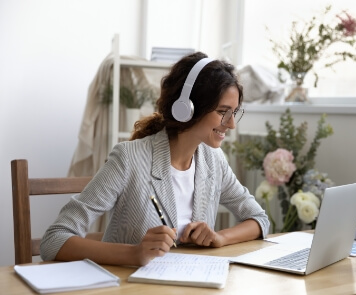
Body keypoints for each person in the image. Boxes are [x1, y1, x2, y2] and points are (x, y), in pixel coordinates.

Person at [40, 52, 270, 266]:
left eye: (234, 112)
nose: (231, 123)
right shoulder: (128, 158)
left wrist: (219, 237)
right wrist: (134, 253)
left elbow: (259, 219)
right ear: (188, 108)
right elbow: (54, 240)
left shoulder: (214, 160)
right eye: (222, 112)